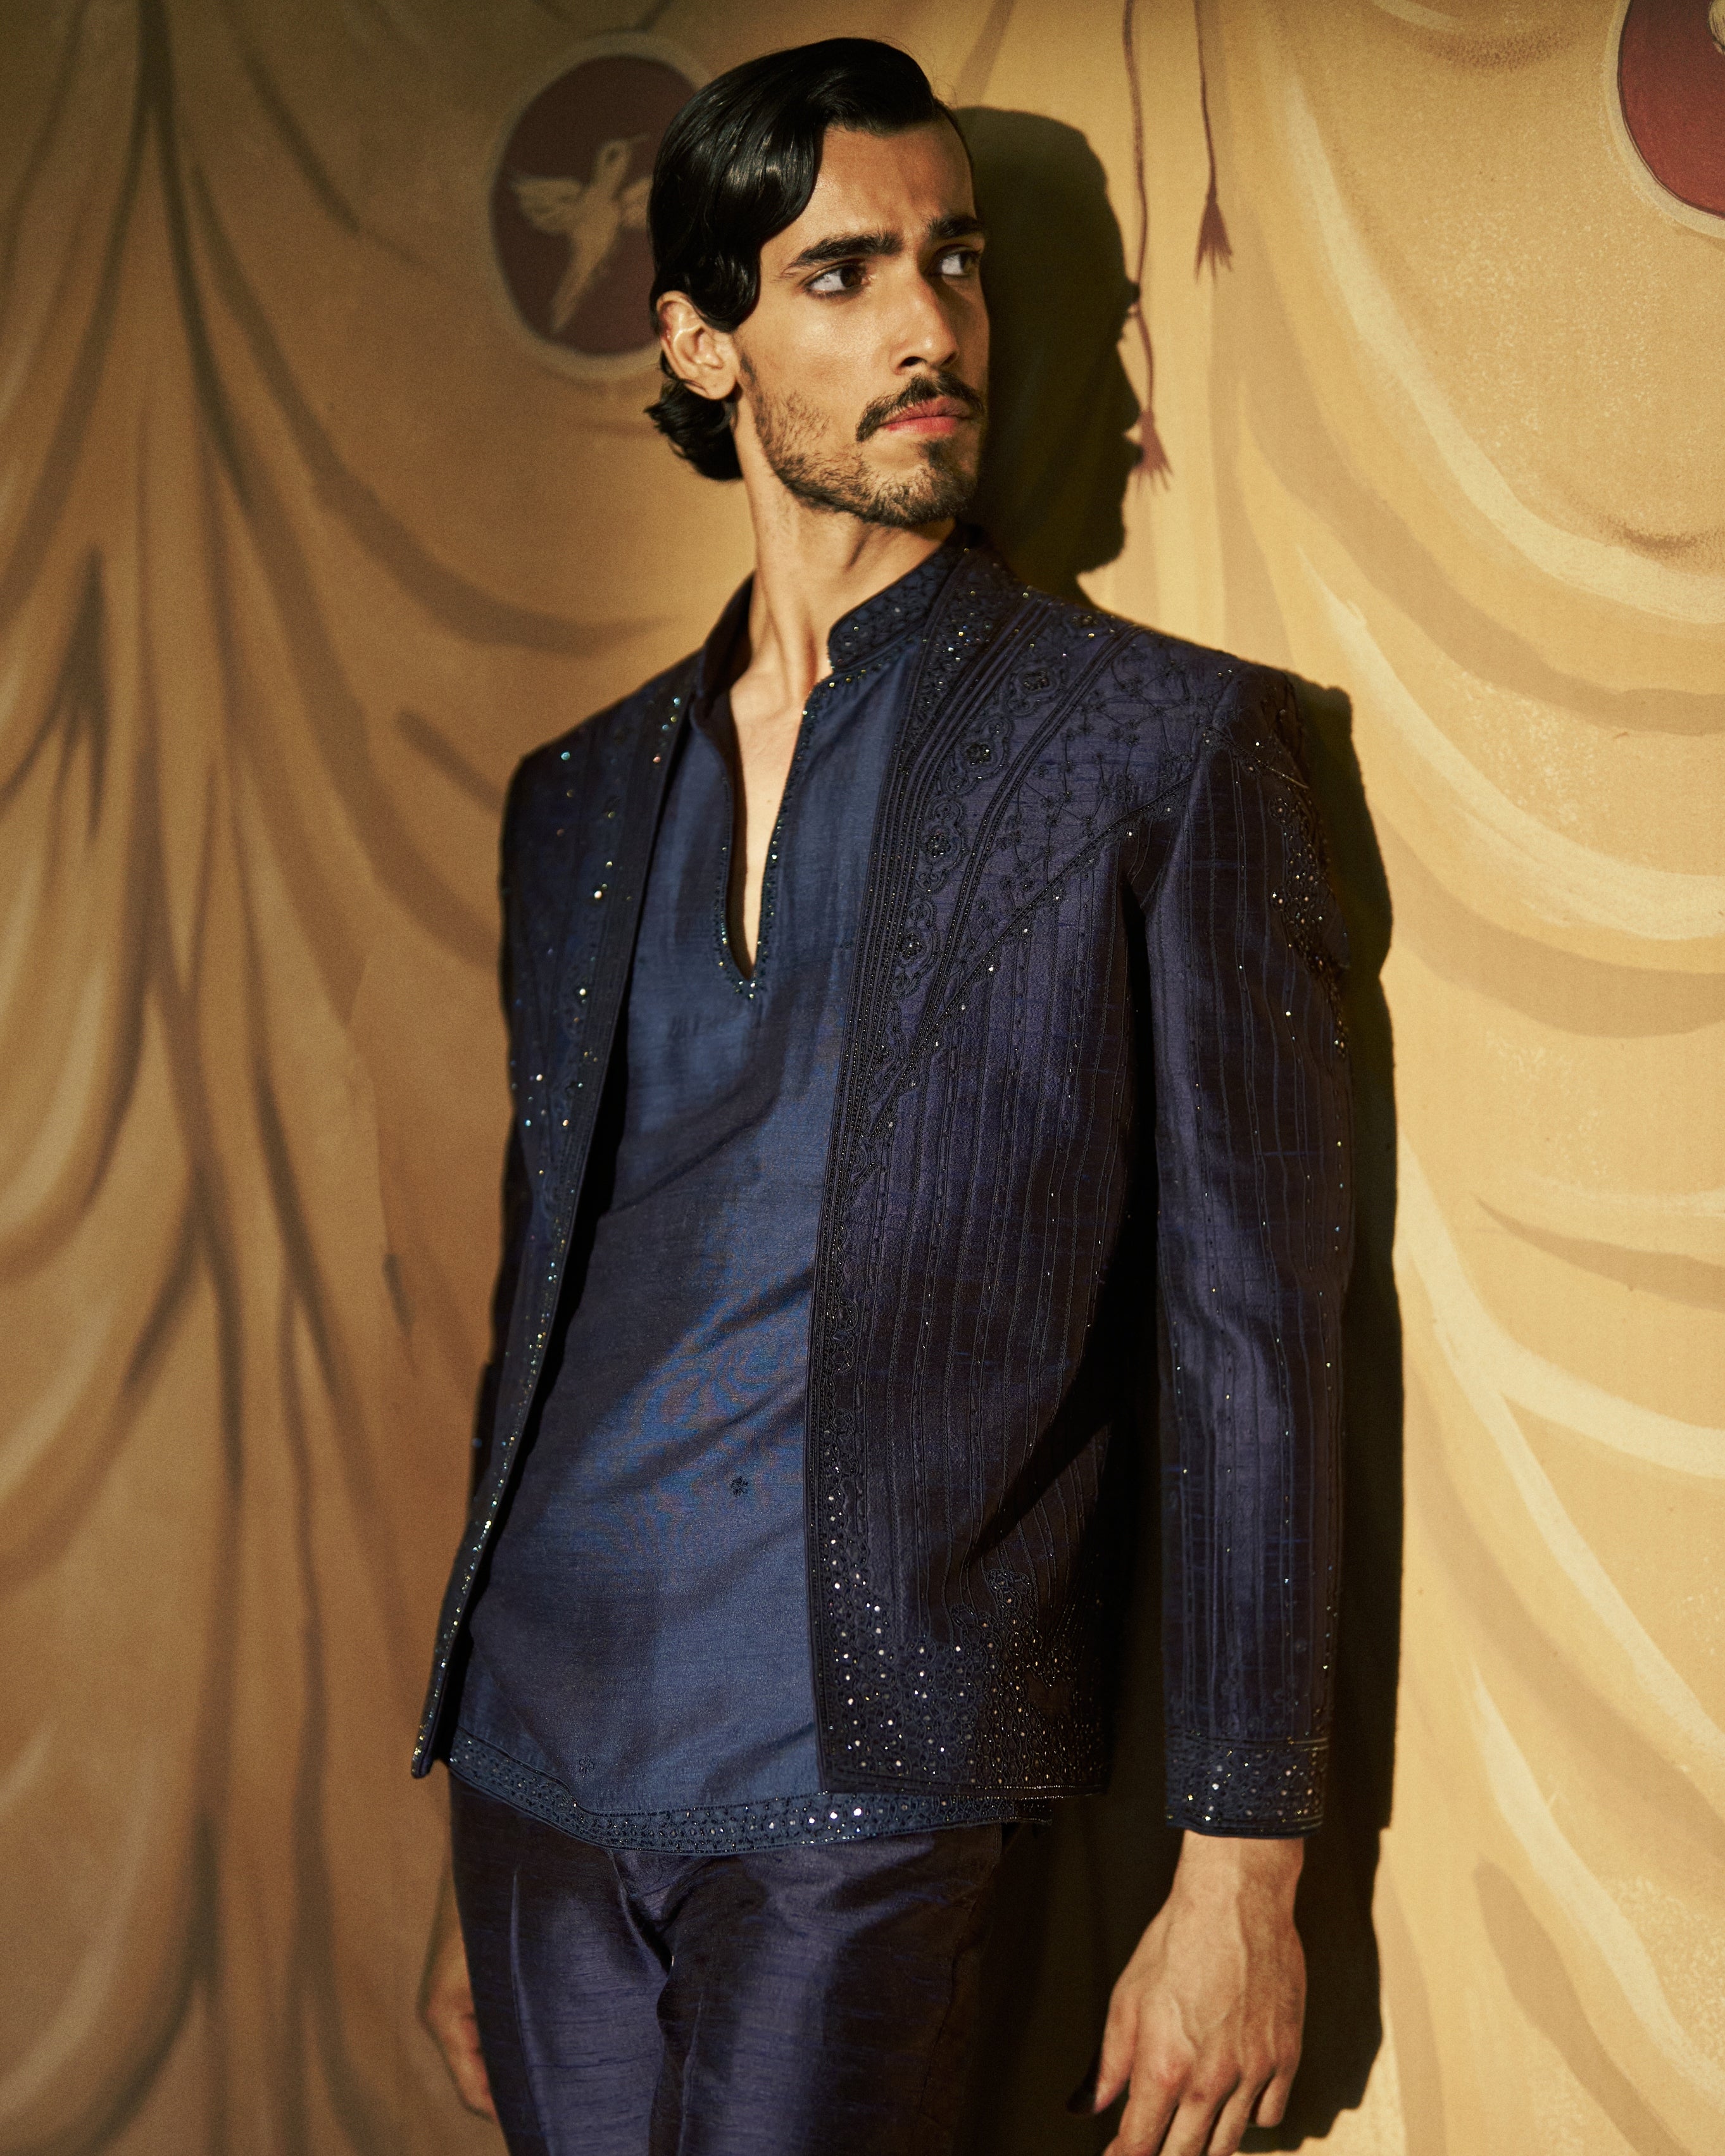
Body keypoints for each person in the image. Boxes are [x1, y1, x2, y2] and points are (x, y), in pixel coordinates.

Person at [415, 37, 1350, 2156]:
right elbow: (540, 1313)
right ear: (702, 342)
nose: (930, 326)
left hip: (876, 1776)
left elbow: (1255, 1340)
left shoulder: (1162, 751)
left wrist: (1242, 1870)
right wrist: (465, 1785)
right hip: (541, 1761)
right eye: (841, 276)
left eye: (957, 261)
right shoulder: (580, 798)